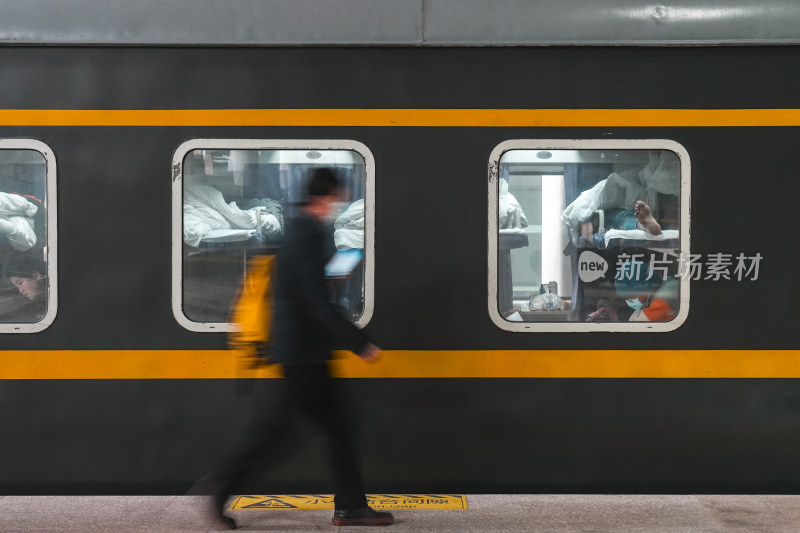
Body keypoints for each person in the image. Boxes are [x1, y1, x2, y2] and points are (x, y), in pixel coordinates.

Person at [205, 168, 393, 529]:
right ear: (322, 198)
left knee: (300, 429)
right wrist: (358, 343)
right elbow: (315, 302)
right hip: (302, 352)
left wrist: (334, 276)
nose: (336, 207)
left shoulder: (303, 231)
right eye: (335, 200)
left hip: (302, 351)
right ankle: (225, 483)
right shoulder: (306, 234)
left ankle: (348, 505)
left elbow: (309, 289)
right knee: (304, 430)